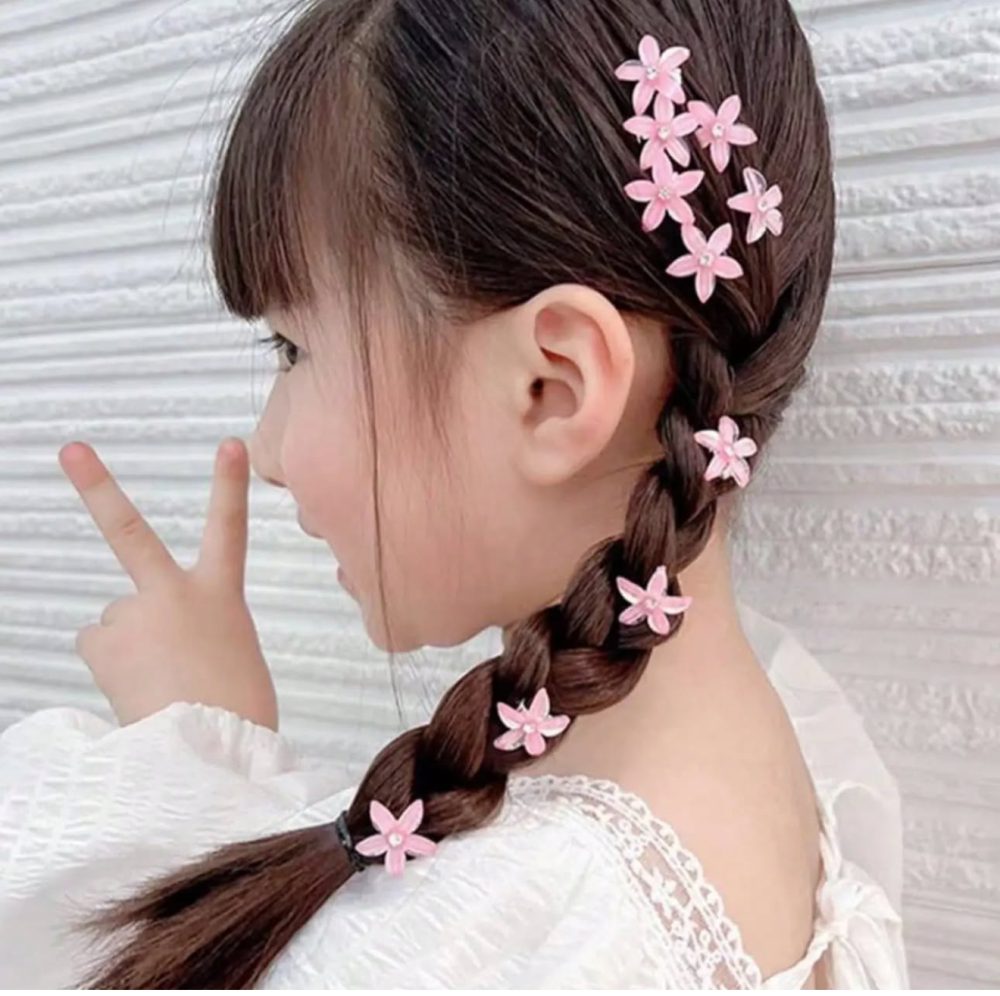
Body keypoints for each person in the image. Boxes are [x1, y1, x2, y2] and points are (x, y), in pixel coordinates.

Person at [0, 0, 909, 988]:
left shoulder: (525, 932)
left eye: (293, 349)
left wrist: (184, 765)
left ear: (552, 389)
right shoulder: (780, 752)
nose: (266, 450)